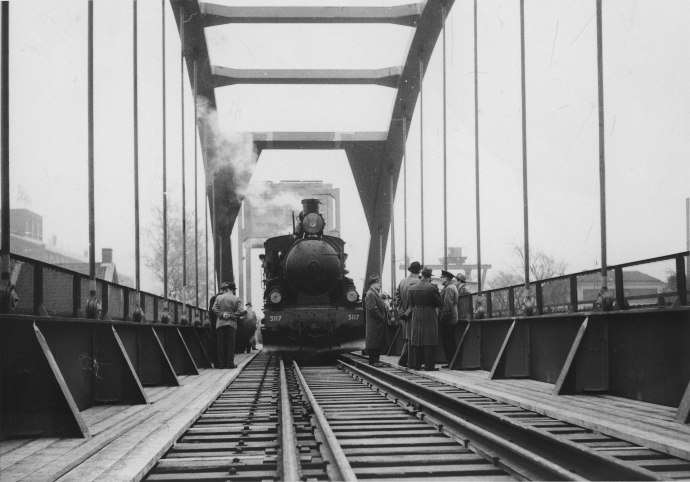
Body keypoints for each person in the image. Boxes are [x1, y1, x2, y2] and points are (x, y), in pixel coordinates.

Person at [408, 267, 443, 371]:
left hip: (416, 314)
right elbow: (439, 303)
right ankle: (429, 366)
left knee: (416, 339)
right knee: (429, 340)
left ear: (421, 275)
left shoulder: (412, 288)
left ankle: (417, 365)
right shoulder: (432, 288)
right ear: (429, 277)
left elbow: (410, 303)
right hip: (429, 314)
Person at [212, 282, 245, 369]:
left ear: (227, 289)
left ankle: (221, 364)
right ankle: (230, 364)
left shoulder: (219, 297)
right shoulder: (236, 298)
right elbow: (241, 311)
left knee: (221, 344)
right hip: (231, 324)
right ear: (233, 290)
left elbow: (214, 308)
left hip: (221, 324)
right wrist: (231, 315)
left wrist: (222, 315)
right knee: (231, 344)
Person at [394, 261, 421, 367]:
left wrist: (402, 312)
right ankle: (407, 360)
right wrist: (408, 313)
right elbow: (415, 301)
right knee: (413, 338)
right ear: (419, 272)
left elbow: (397, 298)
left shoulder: (402, 282)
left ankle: (406, 360)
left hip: (404, 316)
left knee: (407, 337)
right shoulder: (418, 282)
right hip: (414, 315)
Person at [364, 274, 388, 366]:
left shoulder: (374, 293)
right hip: (375, 323)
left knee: (376, 341)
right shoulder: (371, 294)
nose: (379, 284)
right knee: (374, 342)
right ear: (372, 284)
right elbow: (372, 309)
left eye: (379, 283)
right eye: (377, 283)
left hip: (376, 322)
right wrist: (382, 318)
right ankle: (374, 361)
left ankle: (375, 361)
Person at [439, 270, 459, 368]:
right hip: (452, 317)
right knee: (450, 340)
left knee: (448, 341)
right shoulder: (451, 287)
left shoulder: (449, 289)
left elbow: (447, 306)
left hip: (448, 319)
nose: (440, 279)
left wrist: (442, 319)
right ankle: (452, 361)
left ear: (446, 278)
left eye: (441, 277)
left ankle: (451, 362)